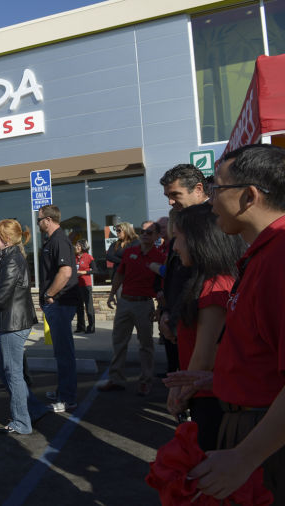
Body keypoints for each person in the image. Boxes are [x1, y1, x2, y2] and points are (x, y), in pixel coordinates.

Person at [169, 144, 285, 502]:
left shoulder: (279, 258)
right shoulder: (261, 256)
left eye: (217, 189)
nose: (211, 201)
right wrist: (217, 378)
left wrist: (244, 457)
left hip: (263, 440)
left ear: (249, 196)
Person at [164, 204, 245, 451]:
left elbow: (204, 355)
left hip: (211, 401)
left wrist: (179, 394)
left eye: (178, 238)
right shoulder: (217, 280)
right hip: (211, 395)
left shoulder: (214, 287)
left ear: (200, 240)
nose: (175, 248)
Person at [0, 219, 49, 434]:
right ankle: (33, 410)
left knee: (12, 373)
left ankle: (21, 422)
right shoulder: (9, 257)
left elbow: (2, 296)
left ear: (5, 239)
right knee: (4, 368)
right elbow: (2, 290)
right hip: (12, 321)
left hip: (13, 323)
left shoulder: (12, 259)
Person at [99, 221, 165, 396]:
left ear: (157, 236)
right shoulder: (130, 252)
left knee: (146, 345)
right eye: (142, 231)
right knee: (119, 342)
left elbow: (162, 285)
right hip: (125, 303)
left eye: (149, 233)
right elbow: (120, 273)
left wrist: (160, 308)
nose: (144, 234)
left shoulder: (159, 257)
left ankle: (145, 381)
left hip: (144, 304)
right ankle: (116, 379)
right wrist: (112, 293)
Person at [158, 164, 210, 378]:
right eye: (167, 196)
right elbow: (175, 275)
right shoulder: (184, 221)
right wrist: (168, 312)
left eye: (175, 194)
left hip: (205, 324)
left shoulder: (215, 223)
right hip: (180, 320)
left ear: (198, 189)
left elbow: (205, 278)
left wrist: (176, 315)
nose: (170, 201)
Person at [37, 205, 80, 413]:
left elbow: (65, 272)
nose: (38, 224)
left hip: (61, 303)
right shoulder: (52, 240)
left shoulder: (59, 240)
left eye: (39, 220)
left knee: (64, 352)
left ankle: (68, 398)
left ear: (48, 220)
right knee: (60, 351)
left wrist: (49, 294)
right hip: (57, 304)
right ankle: (63, 390)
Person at [74, 239, 95, 334]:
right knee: (78, 307)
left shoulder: (88, 257)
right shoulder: (74, 257)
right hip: (76, 285)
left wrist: (84, 272)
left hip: (86, 285)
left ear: (83, 247)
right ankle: (80, 327)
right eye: (76, 245)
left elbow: (95, 270)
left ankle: (91, 327)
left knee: (88, 307)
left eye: (79, 245)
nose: (76, 247)